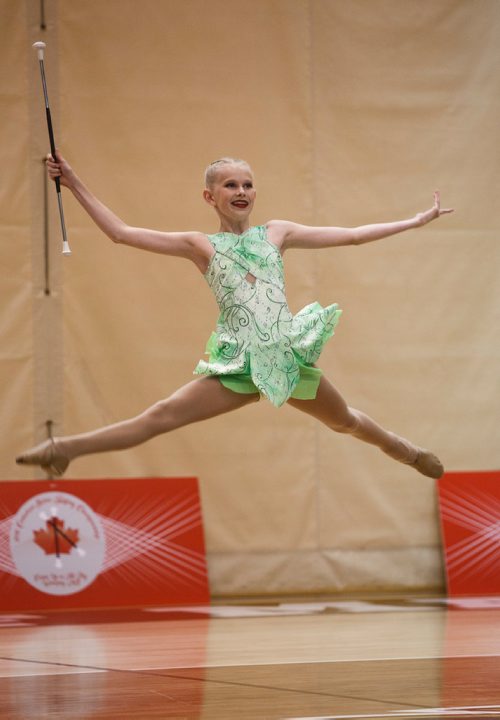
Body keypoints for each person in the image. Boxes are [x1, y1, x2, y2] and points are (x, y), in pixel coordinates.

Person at [16, 153, 453, 479]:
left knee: (345, 421)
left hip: (286, 356)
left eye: (246, 184)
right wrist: (73, 183)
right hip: (240, 363)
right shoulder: (199, 245)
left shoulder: (277, 233)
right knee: (162, 415)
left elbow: (354, 236)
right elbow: (121, 234)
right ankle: (65, 448)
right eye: (229, 185)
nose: (240, 191)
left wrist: (413, 221)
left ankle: (405, 451)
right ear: (210, 196)